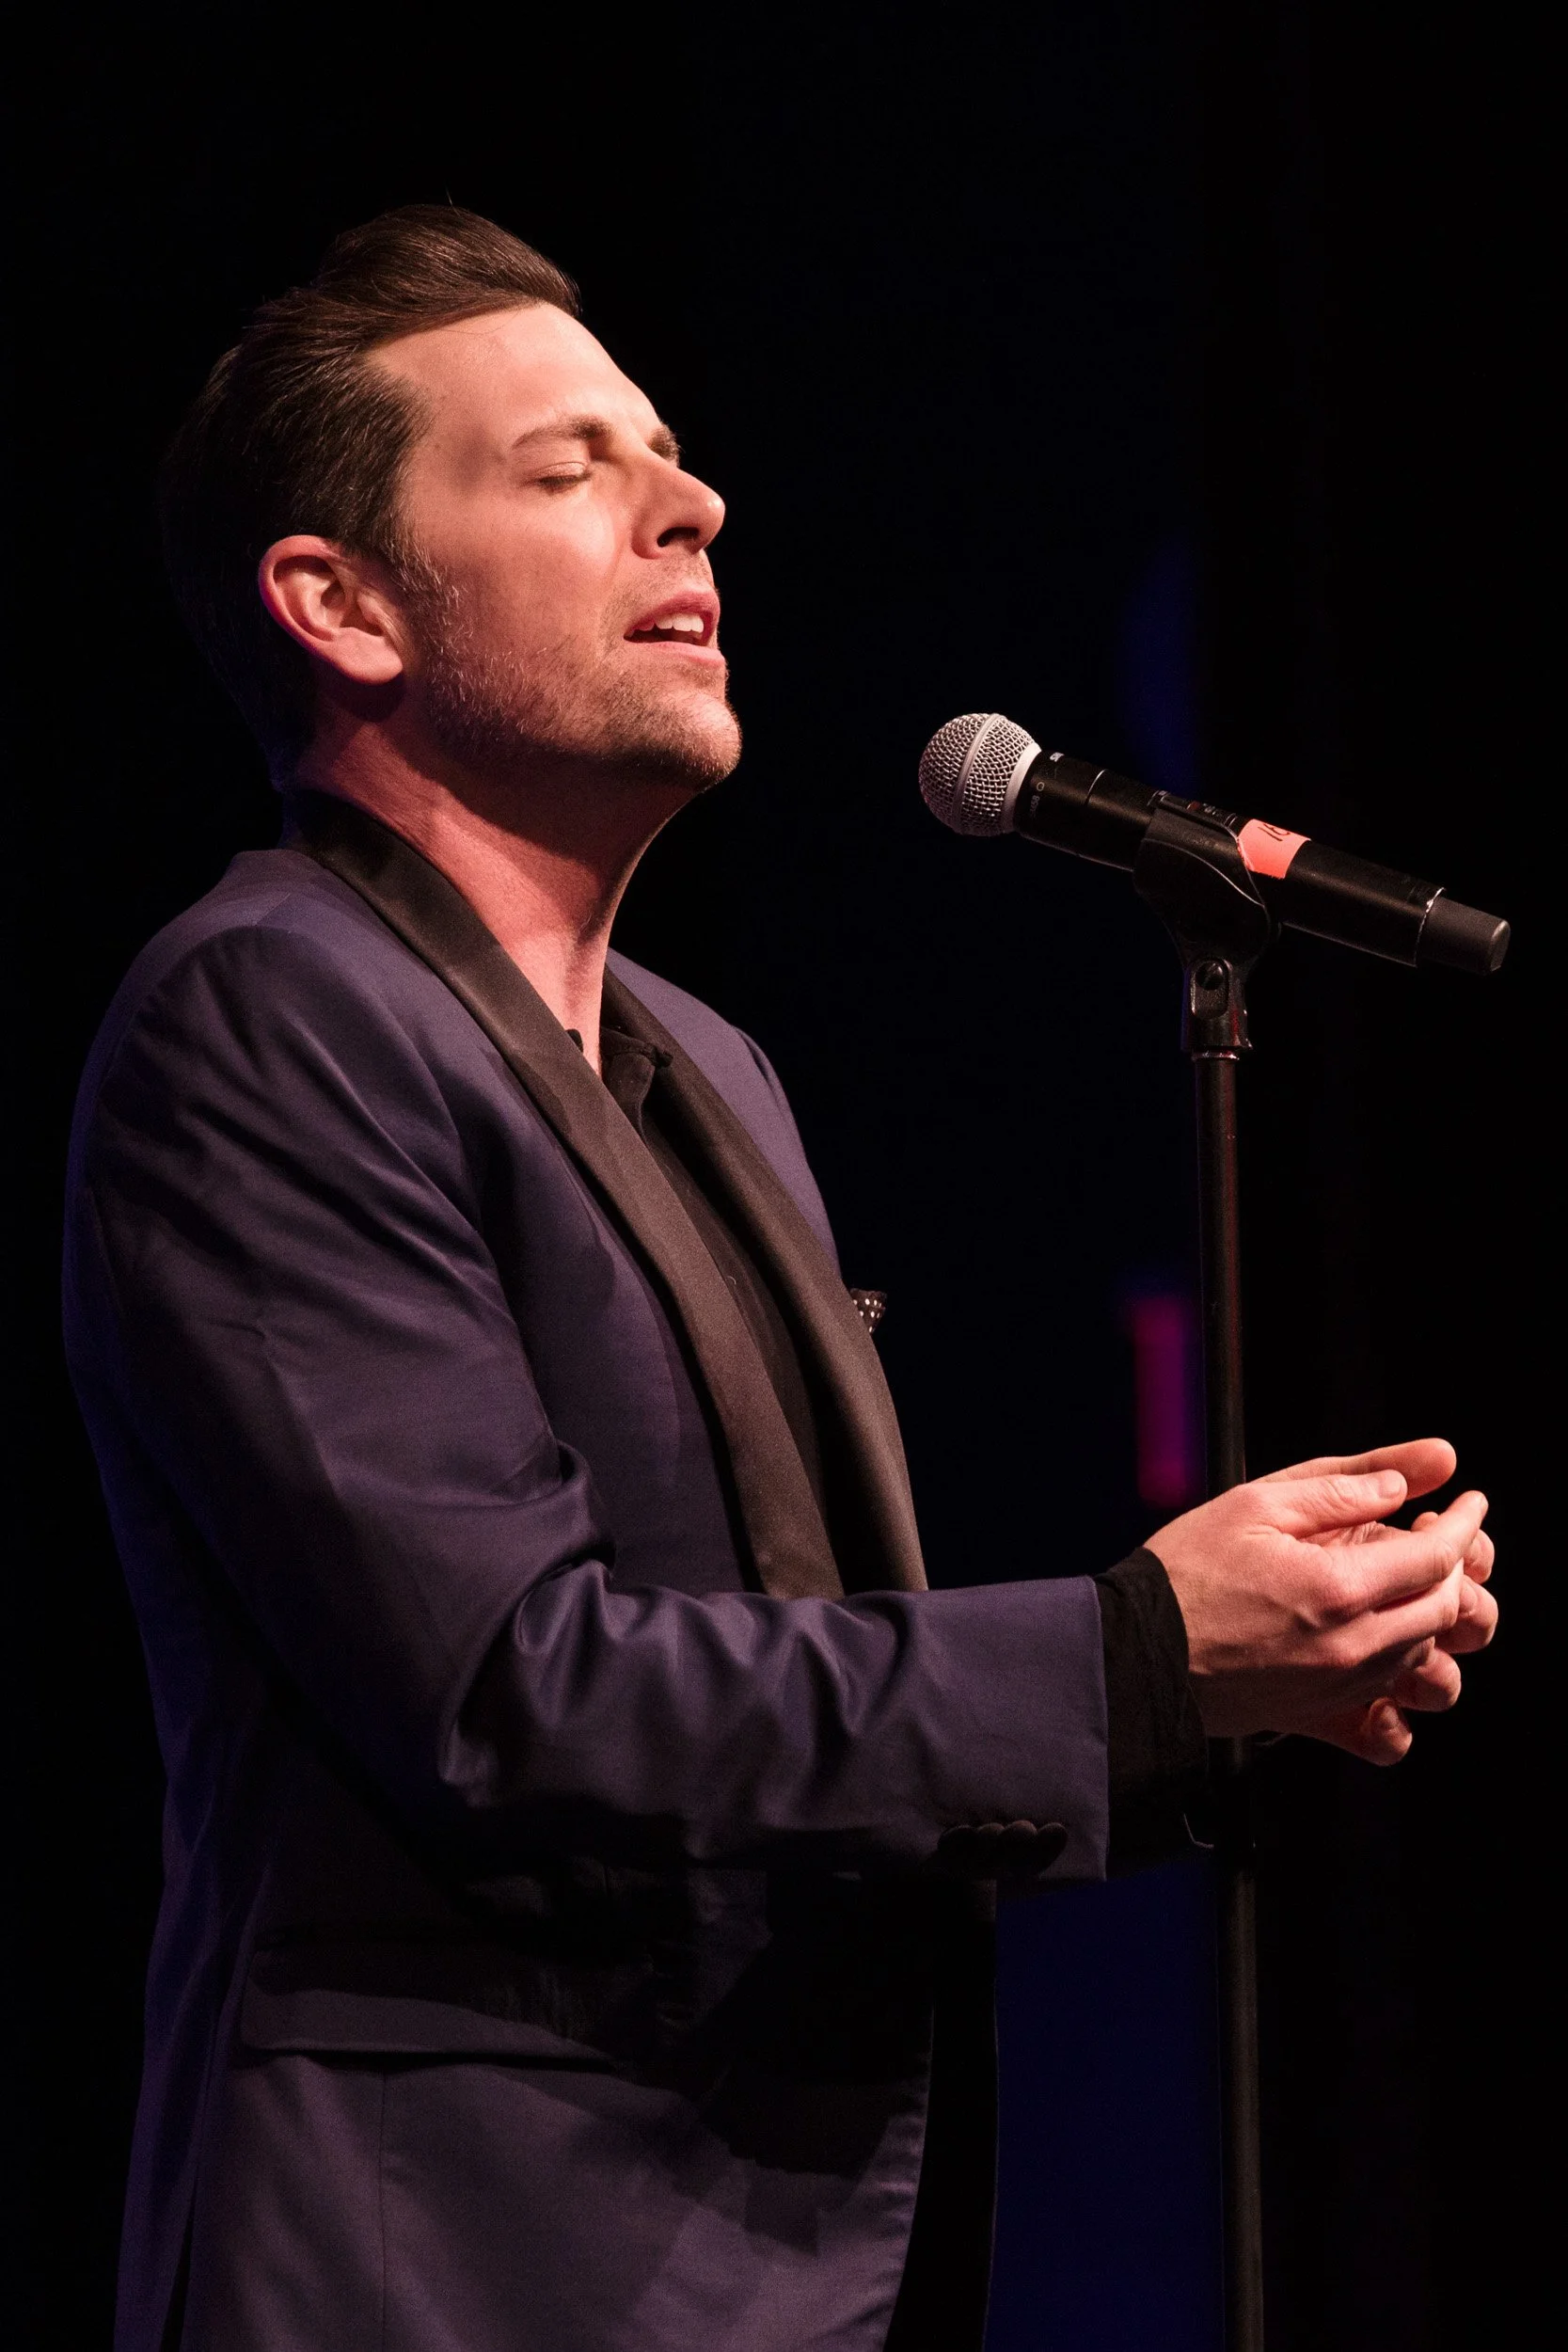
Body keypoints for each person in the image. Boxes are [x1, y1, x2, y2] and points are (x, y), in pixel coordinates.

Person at [63, 206, 1497, 2352]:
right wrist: (1130, 1646)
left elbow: (780, 1684)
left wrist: (1220, 1678)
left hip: (776, 2248)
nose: (689, 498)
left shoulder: (697, 1061)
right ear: (338, 603)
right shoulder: (268, 1014)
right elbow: (510, 1693)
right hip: (456, 2262)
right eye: (564, 468)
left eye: (663, 447)